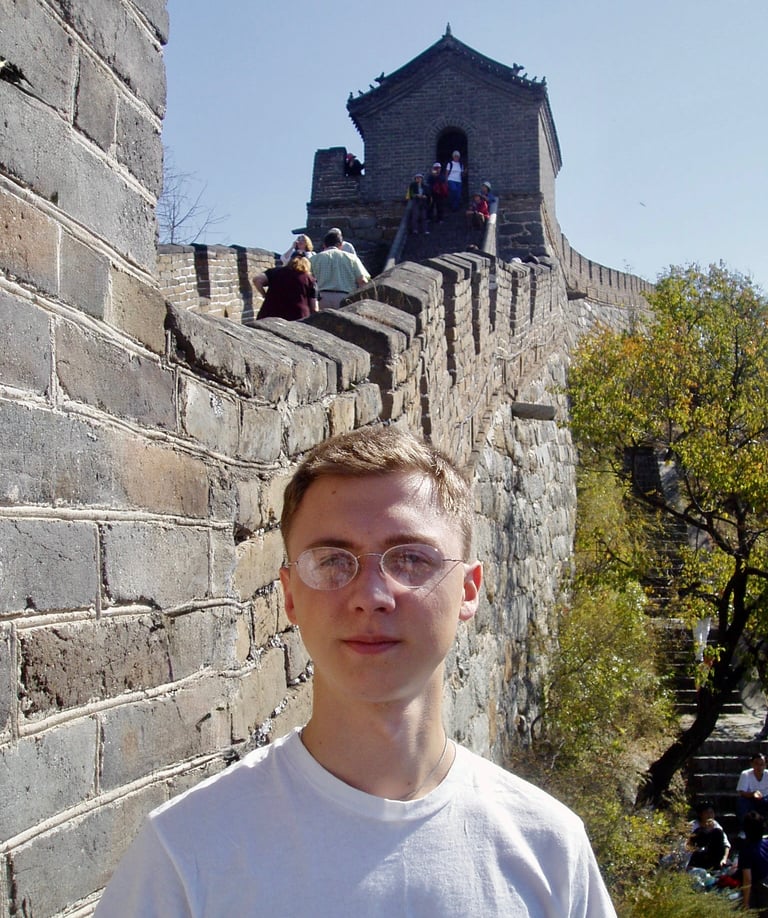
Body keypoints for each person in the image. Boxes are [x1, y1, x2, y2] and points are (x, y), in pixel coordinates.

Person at [94, 425, 617, 917]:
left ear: (468, 590)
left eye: (410, 559)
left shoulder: (550, 851)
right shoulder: (185, 854)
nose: (370, 596)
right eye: (332, 560)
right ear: (290, 595)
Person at [310, 228, 370, 309]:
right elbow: (362, 280)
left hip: (321, 298)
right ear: (341, 245)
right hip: (345, 297)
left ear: (324, 245)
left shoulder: (314, 259)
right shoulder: (352, 258)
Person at [253, 255, 317, 321]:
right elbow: (314, 307)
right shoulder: (310, 279)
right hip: (298, 316)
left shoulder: (275, 272)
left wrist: (264, 295)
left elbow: (257, 280)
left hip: (270, 314)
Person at [686, 800, 731, 871]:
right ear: (700, 814)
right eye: (706, 813)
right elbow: (687, 845)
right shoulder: (692, 826)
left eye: (711, 812)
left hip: (711, 857)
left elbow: (726, 844)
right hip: (696, 857)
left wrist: (724, 859)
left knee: (717, 832)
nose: (710, 815)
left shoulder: (716, 825)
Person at [740, 811, 768, 912]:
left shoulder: (746, 850)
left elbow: (747, 879)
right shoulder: (766, 843)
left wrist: (745, 903)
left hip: (762, 891)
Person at [738, 752, 768, 826]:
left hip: (765, 799)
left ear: (765, 765)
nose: (759, 767)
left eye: (762, 764)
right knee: (741, 801)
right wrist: (753, 794)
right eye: (756, 764)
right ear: (752, 764)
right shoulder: (745, 774)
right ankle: (744, 828)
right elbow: (741, 792)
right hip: (750, 799)